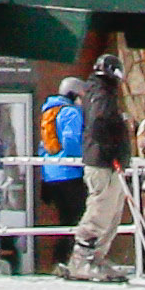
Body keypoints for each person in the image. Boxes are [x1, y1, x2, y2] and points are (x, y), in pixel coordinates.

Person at [71, 57, 138, 278]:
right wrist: (111, 151)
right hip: (103, 162)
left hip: (109, 162)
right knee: (101, 211)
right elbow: (99, 124)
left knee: (112, 214)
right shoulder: (100, 93)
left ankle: (96, 258)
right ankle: (81, 260)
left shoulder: (104, 92)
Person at [33, 72, 91, 275]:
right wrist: (86, 156)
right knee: (78, 219)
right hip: (70, 173)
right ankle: (67, 260)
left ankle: (62, 260)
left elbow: (45, 146)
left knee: (65, 219)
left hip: (51, 174)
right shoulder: (71, 113)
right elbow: (71, 141)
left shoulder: (50, 111)